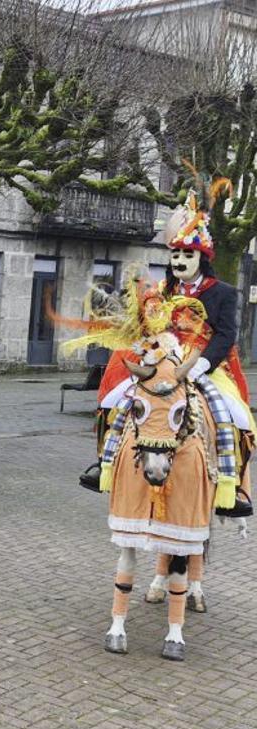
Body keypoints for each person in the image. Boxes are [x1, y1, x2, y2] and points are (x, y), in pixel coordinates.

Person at [80, 188, 253, 516]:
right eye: (176, 255)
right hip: (161, 361)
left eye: (187, 255)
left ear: (202, 257)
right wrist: (141, 343)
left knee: (235, 413)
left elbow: (226, 335)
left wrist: (202, 365)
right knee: (113, 398)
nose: (180, 261)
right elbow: (150, 328)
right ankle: (104, 463)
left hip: (203, 362)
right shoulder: (160, 291)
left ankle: (233, 485)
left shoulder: (223, 293)